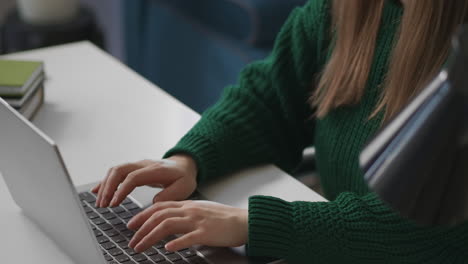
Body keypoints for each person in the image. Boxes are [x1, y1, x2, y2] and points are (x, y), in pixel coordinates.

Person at [92, 0, 468, 262]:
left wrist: (252, 225)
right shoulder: (347, 11)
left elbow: (428, 233)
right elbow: (271, 98)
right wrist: (188, 160)